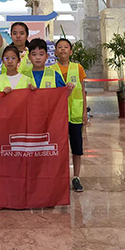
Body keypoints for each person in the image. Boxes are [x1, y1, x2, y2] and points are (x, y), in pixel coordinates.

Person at [52, 38, 87, 193]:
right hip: (58, 116)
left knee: (77, 147)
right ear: (55, 52)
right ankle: (60, 177)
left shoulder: (78, 68)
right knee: (59, 147)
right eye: (59, 47)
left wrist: (84, 112)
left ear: (71, 51)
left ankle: (76, 177)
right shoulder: (51, 70)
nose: (63, 49)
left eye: (66, 47)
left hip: (75, 114)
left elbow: (83, 91)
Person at [0, 0, 31, 76]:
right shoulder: (5, 50)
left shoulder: (32, 53)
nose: (18, 36)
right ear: (11, 35)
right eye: (15, 33)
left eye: (21, 33)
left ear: (27, 35)